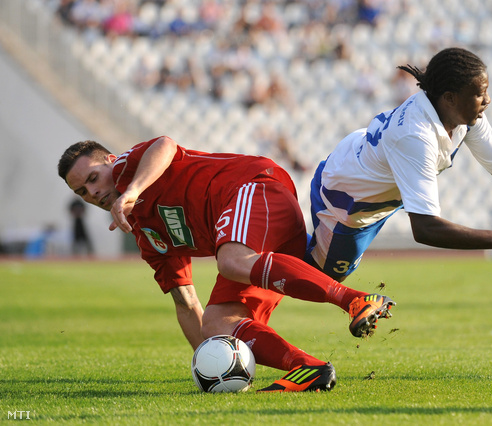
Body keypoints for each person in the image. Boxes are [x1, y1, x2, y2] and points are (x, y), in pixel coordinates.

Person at [57, 136, 395, 393]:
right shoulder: (147, 237)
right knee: (216, 323)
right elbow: (186, 302)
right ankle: (307, 368)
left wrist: (132, 190)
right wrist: (211, 363)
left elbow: (165, 144)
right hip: (258, 243)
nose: (93, 192)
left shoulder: (126, 168)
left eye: (92, 178)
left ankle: (354, 299)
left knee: (231, 261)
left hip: (255, 186)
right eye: (82, 192)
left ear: (110, 162)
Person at [307, 47, 492, 282]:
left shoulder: (465, 117)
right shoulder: (415, 137)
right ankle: (266, 238)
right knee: (317, 277)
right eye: (480, 93)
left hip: (374, 190)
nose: (488, 100)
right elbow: (425, 229)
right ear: (450, 98)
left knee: (320, 278)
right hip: (344, 200)